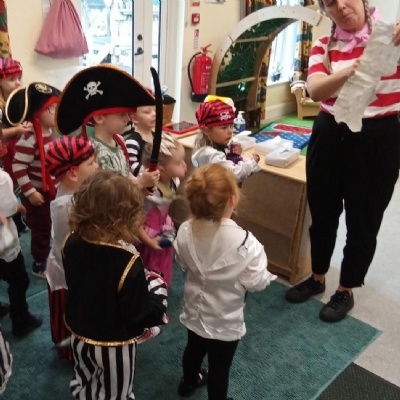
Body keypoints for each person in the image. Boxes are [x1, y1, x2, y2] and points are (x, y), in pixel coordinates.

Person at [285, 0, 400, 322]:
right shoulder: (324, 44)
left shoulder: (392, 38)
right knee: (322, 213)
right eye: (330, 3)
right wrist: (353, 69)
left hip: (378, 137)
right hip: (329, 133)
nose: (341, 6)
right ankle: (317, 277)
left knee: (363, 220)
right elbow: (315, 89)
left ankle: (345, 289)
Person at [63, 170, 168, 400]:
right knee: (116, 391)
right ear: (122, 220)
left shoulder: (71, 240)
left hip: (79, 332)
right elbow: (140, 314)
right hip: (114, 343)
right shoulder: (127, 261)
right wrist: (157, 287)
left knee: (84, 377)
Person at [174, 164, 276, 400]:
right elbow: (257, 282)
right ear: (233, 199)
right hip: (225, 321)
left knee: (193, 349)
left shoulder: (185, 230)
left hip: (194, 311)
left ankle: (188, 382)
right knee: (220, 368)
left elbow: (181, 261)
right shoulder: (247, 244)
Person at [55, 65, 159, 190]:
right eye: (122, 115)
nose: (128, 119)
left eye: (127, 114)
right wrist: (140, 183)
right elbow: (109, 191)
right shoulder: (94, 152)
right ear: (99, 118)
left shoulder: (120, 140)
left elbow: (126, 173)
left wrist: (141, 184)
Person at [44, 135, 98, 361]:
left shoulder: (75, 192)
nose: (97, 166)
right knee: (70, 313)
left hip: (74, 267)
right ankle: (71, 351)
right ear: (73, 173)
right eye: (91, 163)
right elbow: (77, 247)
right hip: (69, 273)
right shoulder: (67, 207)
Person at [8, 83, 60, 278]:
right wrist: (30, 192)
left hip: (51, 191)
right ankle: (39, 263)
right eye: (50, 108)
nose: (55, 112)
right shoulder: (29, 138)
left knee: (51, 224)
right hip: (38, 193)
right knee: (41, 228)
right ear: (37, 113)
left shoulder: (49, 133)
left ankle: (47, 253)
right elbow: (18, 166)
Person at [136, 133, 187, 288]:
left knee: (162, 264)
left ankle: (161, 288)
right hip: (146, 237)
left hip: (162, 227)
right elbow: (135, 220)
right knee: (147, 270)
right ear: (161, 170)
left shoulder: (172, 181)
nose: (184, 165)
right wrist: (148, 241)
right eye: (178, 162)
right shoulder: (148, 191)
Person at [0, 168, 42, 337]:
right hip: (3, 242)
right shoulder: (2, 179)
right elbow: (9, 209)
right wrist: (18, 207)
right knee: (18, 279)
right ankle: (21, 319)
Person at [192, 99, 260, 183]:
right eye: (224, 128)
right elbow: (233, 175)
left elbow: (228, 163)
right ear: (207, 131)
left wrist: (235, 155)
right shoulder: (209, 154)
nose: (230, 131)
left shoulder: (218, 145)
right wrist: (251, 162)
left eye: (231, 126)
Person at [0, 57, 30, 236]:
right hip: (4, 152)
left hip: (17, 148)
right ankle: (12, 218)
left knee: (19, 182)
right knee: (6, 187)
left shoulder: (20, 100)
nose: (18, 82)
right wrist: (17, 129)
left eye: (19, 78)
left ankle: (20, 218)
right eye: (12, 79)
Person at [123, 104, 156, 176]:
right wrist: (152, 171)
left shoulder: (157, 136)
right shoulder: (132, 141)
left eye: (155, 111)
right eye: (147, 112)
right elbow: (132, 165)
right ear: (134, 118)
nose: (154, 114)